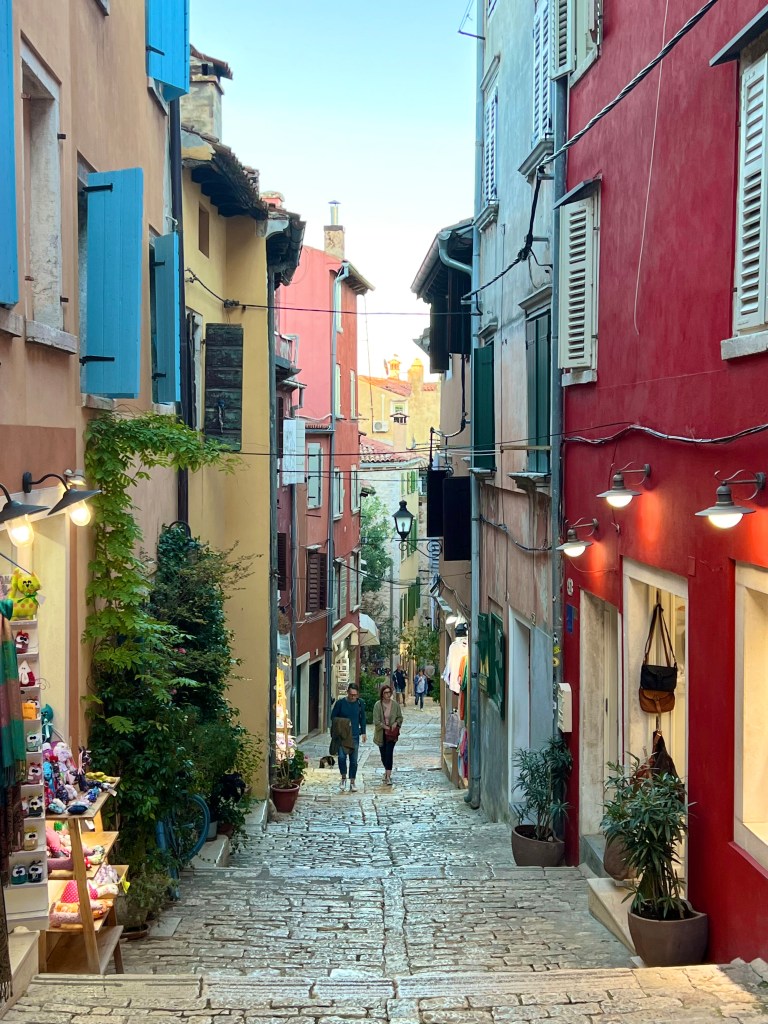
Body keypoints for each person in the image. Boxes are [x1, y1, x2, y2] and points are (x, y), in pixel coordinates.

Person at [330, 682, 367, 793]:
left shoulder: (360, 704)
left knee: (354, 760)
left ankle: (352, 781)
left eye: (355, 695)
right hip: (343, 735)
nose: (353, 697)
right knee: (341, 757)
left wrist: (364, 732)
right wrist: (344, 723)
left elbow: (363, 718)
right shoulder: (340, 703)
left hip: (355, 735)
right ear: (348, 693)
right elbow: (333, 717)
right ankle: (343, 777)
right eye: (351, 695)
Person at [372, 682, 403, 786]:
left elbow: (400, 717)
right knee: (383, 755)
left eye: (389, 692)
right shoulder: (377, 705)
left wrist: (395, 723)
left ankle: (388, 776)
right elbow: (376, 721)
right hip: (381, 734)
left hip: (391, 735)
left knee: (389, 753)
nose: (388, 694)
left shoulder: (395, 705)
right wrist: (385, 727)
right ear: (382, 694)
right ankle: (386, 771)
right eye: (385, 693)